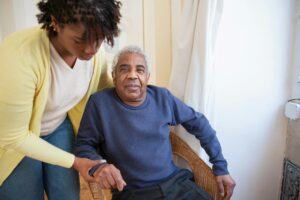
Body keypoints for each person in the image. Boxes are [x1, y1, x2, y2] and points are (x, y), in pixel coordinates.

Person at [75, 45, 236, 200]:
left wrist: (220, 166)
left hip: (176, 185)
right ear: (114, 76)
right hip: (132, 193)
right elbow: (83, 145)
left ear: (147, 77)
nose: (132, 75)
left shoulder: (162, 97)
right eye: (124, 69)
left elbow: (199, 123)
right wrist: (99, 166)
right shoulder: (99, 103)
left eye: (140, 70)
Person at [0, 0, 121, 199]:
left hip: (57, 126)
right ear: (56, 22)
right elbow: (14, 136)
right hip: (14, 138)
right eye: (80, 40)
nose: (91, 48)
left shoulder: (94, 54)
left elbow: (105, 90)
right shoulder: (19, 55)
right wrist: (75, 162)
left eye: (99, 39)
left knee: (66, 194)